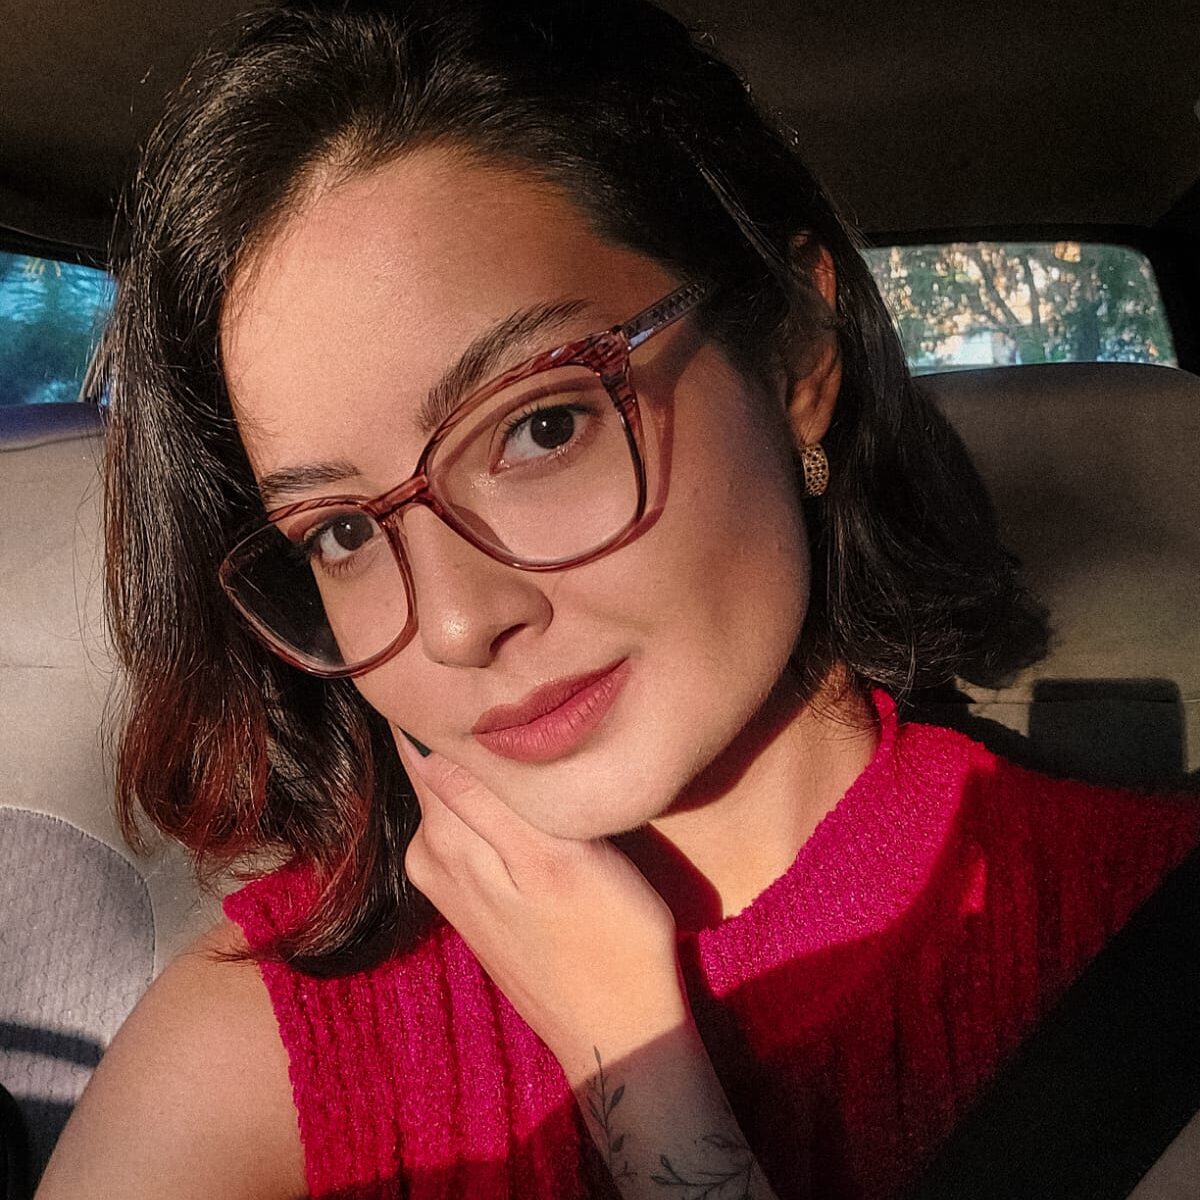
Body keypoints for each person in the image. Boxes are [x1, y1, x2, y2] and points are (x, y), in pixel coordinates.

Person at [35, 2, 1200, 1198]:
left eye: (542, 427)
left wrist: (633, 1065)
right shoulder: (259, 1044)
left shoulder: (1145, 943)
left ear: (796, 351)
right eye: (341, 532)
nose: (455, 624)